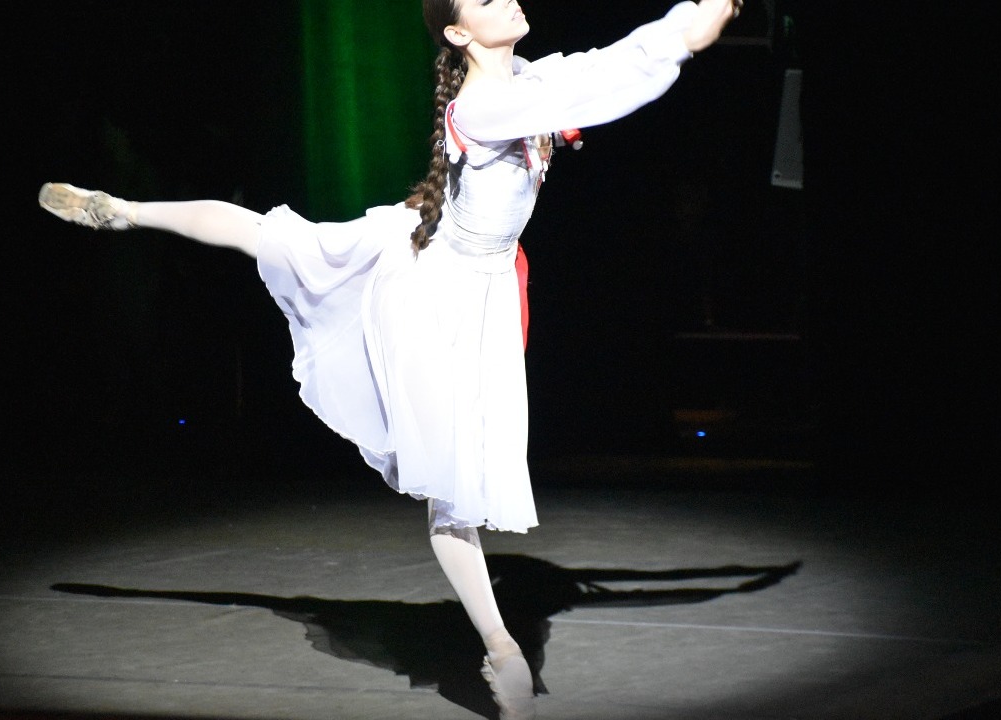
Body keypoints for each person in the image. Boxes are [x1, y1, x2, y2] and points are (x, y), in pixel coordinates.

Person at [39, 1, 739, 717]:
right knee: (286, 253)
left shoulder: (527, 80)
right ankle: (502, 649)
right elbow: (607, 82)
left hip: (482, 283)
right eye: (484, 0)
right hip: (435, 293)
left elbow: (612, 64)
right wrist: (680, 37)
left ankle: (125, 211)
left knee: (277, 243)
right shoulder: (487, 106)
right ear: (459, 33)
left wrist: (695, 21)